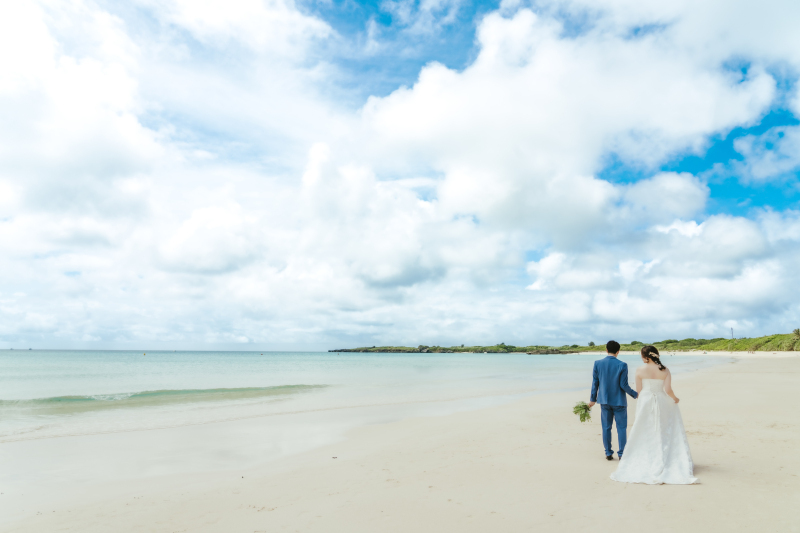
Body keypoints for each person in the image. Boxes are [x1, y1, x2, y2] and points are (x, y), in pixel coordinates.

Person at [610, 345, 697, 484]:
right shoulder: (665, 370)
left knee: (644, 429)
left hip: (645, 400)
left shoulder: (639, 370)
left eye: (642, 356)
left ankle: (647, 457)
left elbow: (639, 390)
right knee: (662, 429)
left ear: (646, 357)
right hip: (662, 400)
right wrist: (675, 399)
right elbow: (668, 389)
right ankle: (663, 457)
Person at [588, 340, 638, 460]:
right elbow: (624, 385)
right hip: (619, 401)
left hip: (604, 400)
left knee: (606, 427)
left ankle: (608, 453)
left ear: (606, 350)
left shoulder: (597, 363)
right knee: (621, 428)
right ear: (618, 351)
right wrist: (636, 394)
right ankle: (621, 454)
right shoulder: (622, 365)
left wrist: (592, 399)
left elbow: (595, 383)